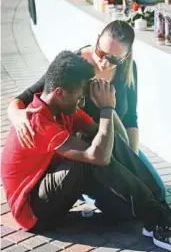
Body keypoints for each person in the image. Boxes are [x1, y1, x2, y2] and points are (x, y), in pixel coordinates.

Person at [2, 51, 171, 251]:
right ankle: (159, 221)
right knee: (88, 160)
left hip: (51, 184)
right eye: (80, 97)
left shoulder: (63, 109)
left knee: (105, 138)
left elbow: (108, 140)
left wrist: (107, 114)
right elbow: (96, 157)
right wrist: (107, 108)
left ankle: (159, 208)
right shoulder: (38, 120)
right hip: (33, 211)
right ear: (59, 93)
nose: (82, 103)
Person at [8, 20, 166, 199]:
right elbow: (26, 96)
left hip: (115, 141)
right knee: (123, 199)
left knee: (157, 190)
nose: (104, 62)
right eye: (101, 53)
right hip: (85, 149)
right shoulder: (76, 64)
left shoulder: (128, 70)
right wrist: (15, 115)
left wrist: (132, 162)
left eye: (113, 59)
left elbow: (130, 118)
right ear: (97, 40)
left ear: (125, 56)